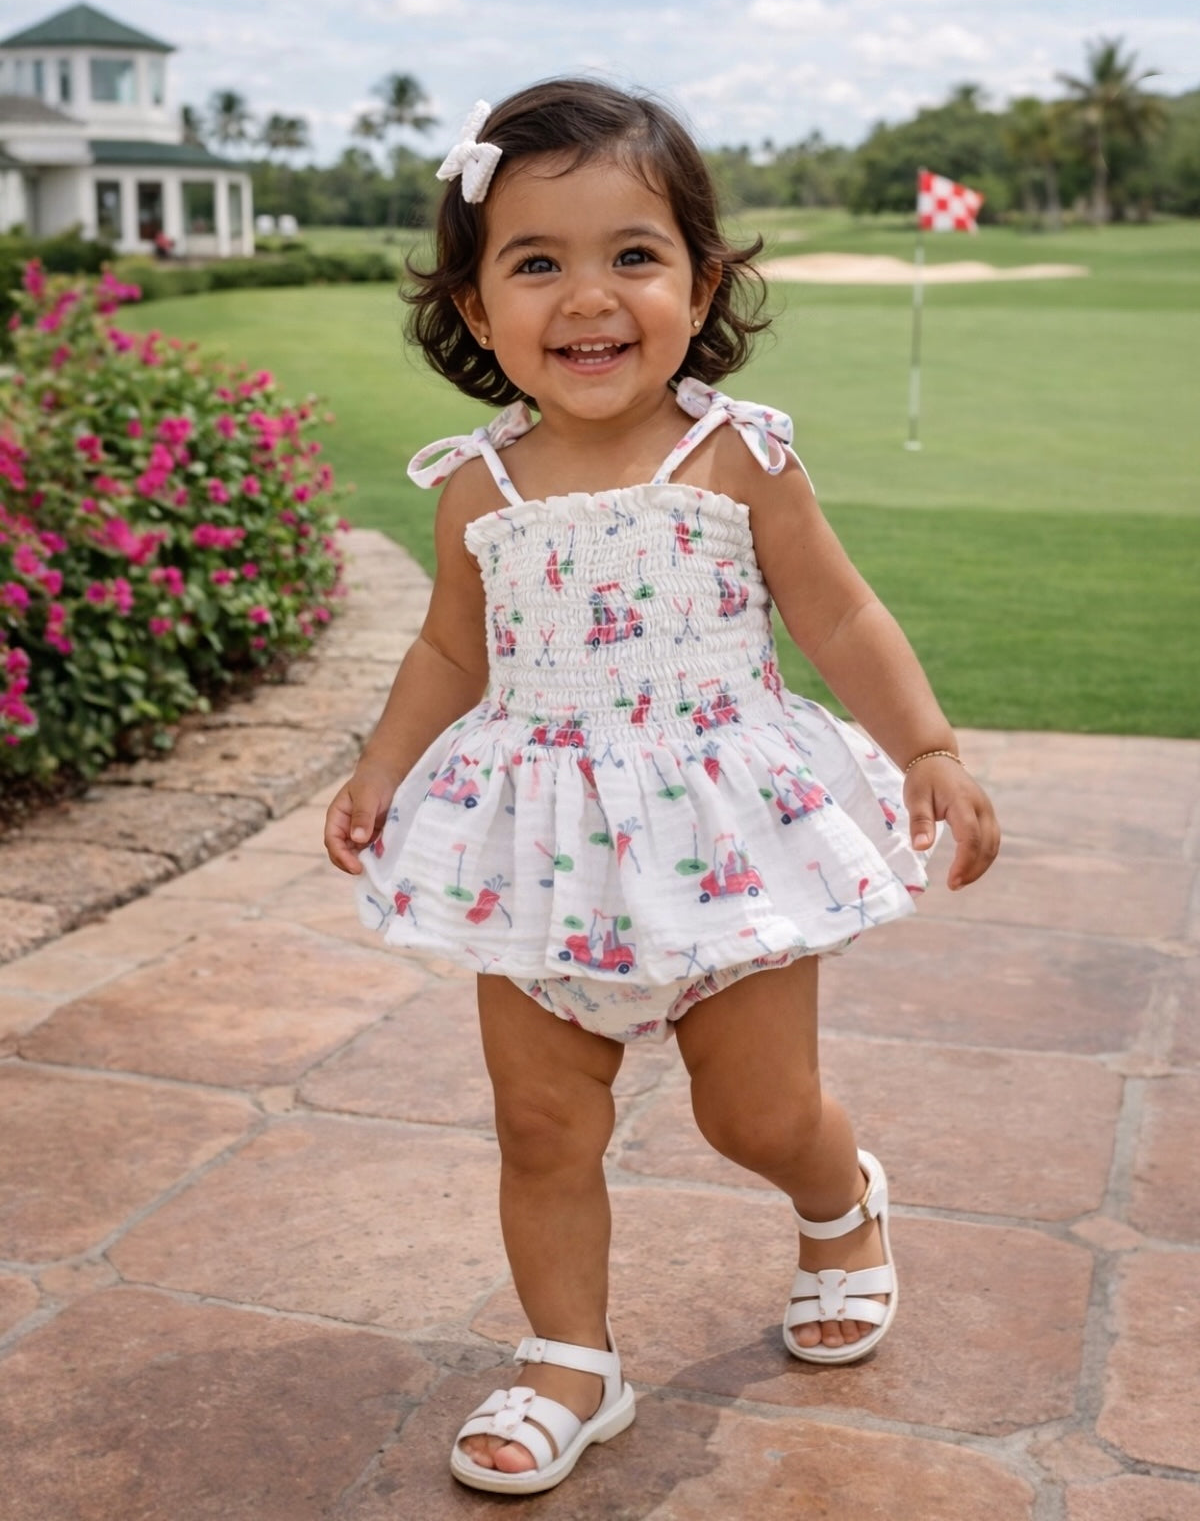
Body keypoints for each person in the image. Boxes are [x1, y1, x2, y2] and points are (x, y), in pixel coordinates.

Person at [324, 78, 1000, 1496]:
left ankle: (838, 1199)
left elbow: (840, 614)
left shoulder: (737, 457)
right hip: (542, 854)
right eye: (537, 260)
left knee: (750, 1113)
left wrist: (928, 743)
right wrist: (383, 766)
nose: (590, 296)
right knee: (540, 1121)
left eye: (633, 254)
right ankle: (571, 1359)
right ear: (472, 301)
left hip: (720, 845)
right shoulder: (478, 490)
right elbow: (455, 646)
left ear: (701, 280)